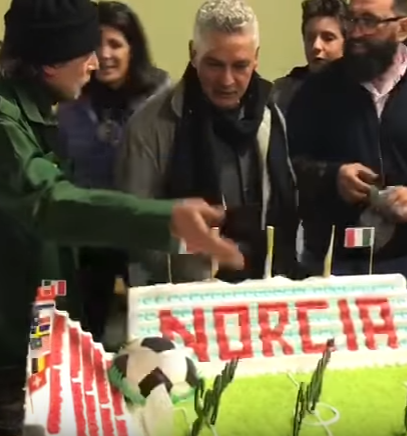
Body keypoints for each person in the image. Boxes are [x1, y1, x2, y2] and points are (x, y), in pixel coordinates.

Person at [0, 0, 244, 433]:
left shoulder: (33, 114)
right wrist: (166, 219)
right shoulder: (5, 126)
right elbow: (50, 203)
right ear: (50, 62)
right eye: (86, 53)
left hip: (41, 342)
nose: (96, 64)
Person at [288, 0, 407, 330]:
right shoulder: (317, 90)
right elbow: (290, 164)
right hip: (330, 268)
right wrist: (332, 176)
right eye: (352, 19)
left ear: (404, 27)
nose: (356, 32)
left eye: (369, 21)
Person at [116, 0, 300, 284]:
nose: (227, 80)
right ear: (193, 53)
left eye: (240, 66)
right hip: (182, 295)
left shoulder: (271, 117)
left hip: (263, 287)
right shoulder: (148, 127)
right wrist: (198, 254)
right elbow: (134, 228)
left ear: (256, 58)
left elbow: (286, 206)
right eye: (214, 64)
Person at [56, 0, 170, 344]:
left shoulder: (161, 99)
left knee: (151, 336)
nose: (104, 55)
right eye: (95, 45)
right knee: (86, 328)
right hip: (93, 231)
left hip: (146, 229)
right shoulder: (72, 99)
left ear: (133, 49)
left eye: (115, 44)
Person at [272, 0, 348, 114]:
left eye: (328, 38)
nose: (316, 46)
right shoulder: (282, 94)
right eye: (310, 38)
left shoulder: (363, 93)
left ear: (347, 42)